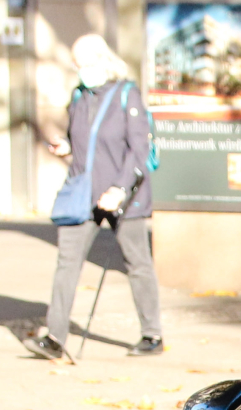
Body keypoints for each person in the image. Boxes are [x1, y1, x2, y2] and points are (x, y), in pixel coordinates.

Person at [24, 34, 162, 365]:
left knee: (137, 263)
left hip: (122, 195)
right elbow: (83, 142)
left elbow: (139, 150)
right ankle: (55, 337)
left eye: (86, 63)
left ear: (103, 60)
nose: (82, 70)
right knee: (67, 261)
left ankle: (152, 334)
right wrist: (67, 148)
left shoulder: (127, 94)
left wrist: (118, 189)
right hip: (84, 193)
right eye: (78, 65)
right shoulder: (79, 96)